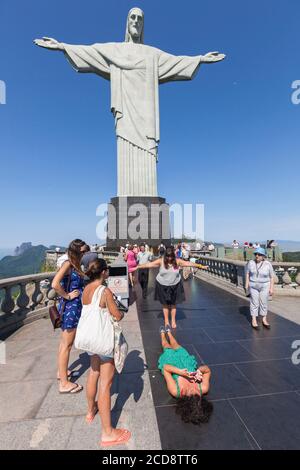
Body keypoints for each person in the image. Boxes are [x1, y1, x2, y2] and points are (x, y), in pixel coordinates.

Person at [82, 259, 131, 447]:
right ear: (103, 272)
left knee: (93, 373)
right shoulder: (105, 291)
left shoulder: (86, 290)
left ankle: (90, 411)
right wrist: (121, 313)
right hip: (103, 341)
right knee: (106, 384)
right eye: (107, 270)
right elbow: (116, 315)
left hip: (90, 340)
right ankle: (108, 432)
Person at [134, 246, 208, 328]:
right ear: (165, 256)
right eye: (168, 256)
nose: (169, 258)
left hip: (175, 285)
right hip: (162, 285)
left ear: (173, 256)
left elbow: (188, 263)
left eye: (171, 256)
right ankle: (166, 320)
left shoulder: (177, 261)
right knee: (165, 304)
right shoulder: (161, 261)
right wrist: (138, 267)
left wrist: (200, 266)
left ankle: (173, 320)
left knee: (173, 304)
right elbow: (149, 264)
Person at [158, 326, 213, 425]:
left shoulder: (176, 391)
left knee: (167, 346)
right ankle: (169, 333)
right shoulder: (203, 388)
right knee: (177, 345)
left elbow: (166, 368)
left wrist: (180, 372)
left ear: (186, 401)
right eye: (197, 395)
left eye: (190, 395)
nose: (194, 390)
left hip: (172, 364)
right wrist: (199, 371)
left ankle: (162, 334)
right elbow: (208, 370)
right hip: (187, 362)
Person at [52, 239, 86, 393]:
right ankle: (64, 384)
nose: (85, 253)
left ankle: (62, 372)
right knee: (67, 344)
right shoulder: (68, 264)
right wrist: (67, 296)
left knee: (63, 343)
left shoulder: (74, 264)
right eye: (83, 251)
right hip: (71, 308)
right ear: (77, 251)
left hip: (73, 307)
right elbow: (55, 284)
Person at [245, 247, 275, 330]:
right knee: (254, 302)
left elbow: (272, 277)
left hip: (265, 285)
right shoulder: (251, 263)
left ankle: (264, 319)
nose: (257, 256)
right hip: (253, 285)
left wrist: (271, 288)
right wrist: (246, 285)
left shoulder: (268, 264)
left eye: (259, 254)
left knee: (264, 302)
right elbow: (247, 273)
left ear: (263, 256)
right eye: (256, 254)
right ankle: (254, 320)